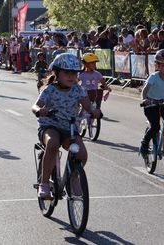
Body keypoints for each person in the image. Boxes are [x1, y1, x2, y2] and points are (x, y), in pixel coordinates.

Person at [31, 53, 101, 198]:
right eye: (66, 73)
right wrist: (39, 110)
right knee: (53, 143)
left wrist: (94, 111)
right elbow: (35, 106)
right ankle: (44, 183)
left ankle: (73, 178)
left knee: (82, 154)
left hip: (70, 128)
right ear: (56, 73)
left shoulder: (78, 90)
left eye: (74, 73)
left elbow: (87, 106)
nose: (71, 76)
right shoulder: (49, 90)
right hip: (50, 126)